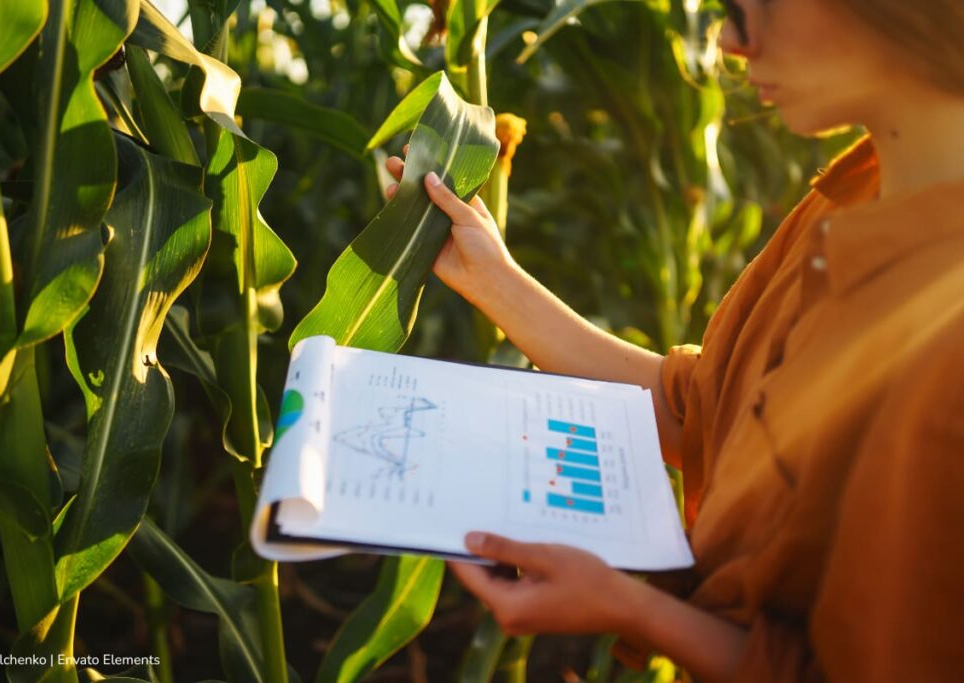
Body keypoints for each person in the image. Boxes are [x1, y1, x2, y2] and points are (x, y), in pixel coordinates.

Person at [385, 0, 964, 680]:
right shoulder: (845, 201)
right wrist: (493, 277)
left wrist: (632, 608)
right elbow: (697, 408)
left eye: (757, 9)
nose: (729, 41)